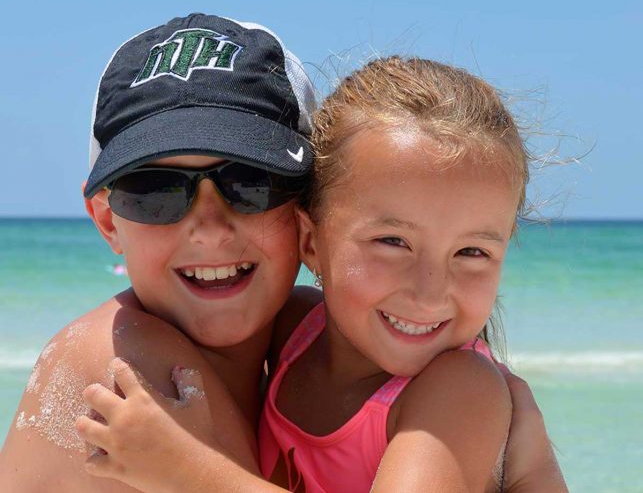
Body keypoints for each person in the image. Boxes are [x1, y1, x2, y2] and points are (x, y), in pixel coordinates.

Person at [73, 57, 567, 492]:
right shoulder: (293, 332)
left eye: (473, 252)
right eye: (393, 242)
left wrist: (188, 473)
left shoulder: (460, 387)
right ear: (311, 241)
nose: (430, 288)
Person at [0, 13, 320, 491]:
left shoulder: (304, 337)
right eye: (155, 191)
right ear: (108, 221)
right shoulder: (128, 368)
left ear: (310, 208)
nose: (209, 230)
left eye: (250, 183)